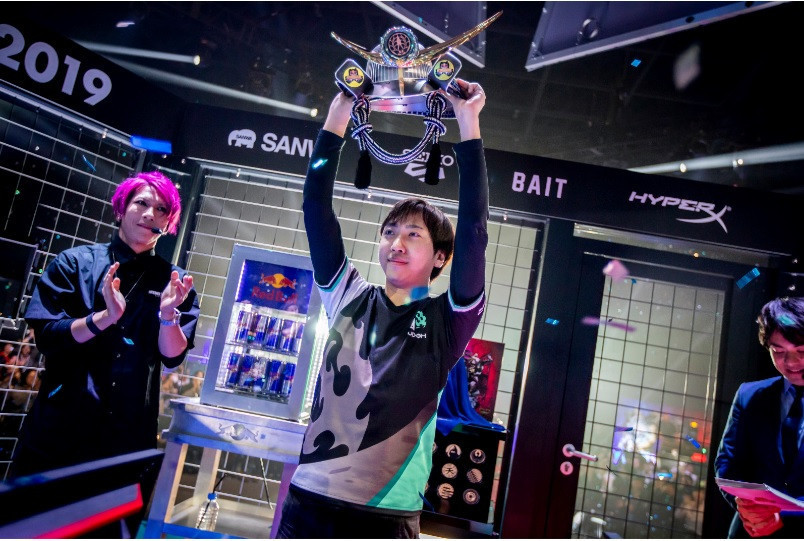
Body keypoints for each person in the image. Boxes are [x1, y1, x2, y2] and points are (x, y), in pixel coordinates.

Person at [275, 78, 488, 539]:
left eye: (413, 234)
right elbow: (315, 207)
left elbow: (473, 229)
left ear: (440, 258)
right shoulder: (347, 293)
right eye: (389, 232)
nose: (397, 243)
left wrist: (468, 122)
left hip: (387, 516)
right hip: (310, 500)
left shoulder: (448, 321)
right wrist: (338, 115)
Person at [9, 170, 200, 479]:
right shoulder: (73, 263)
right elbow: (48, 337)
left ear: (168, 223)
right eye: (141, 203)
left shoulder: (175, 282)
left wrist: (167, 314)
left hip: (127, 440)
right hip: (58, 431)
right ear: (121, 208)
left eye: (162, 208)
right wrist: (105, 318)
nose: (150, 213)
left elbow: (173, 356)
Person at [715, 296, 804, 538]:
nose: (792, 362)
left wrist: (783, 516)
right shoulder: (749, 394)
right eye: (778, 351)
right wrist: (746, 507)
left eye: (801, 350)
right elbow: (727, 465)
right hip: (750, 530)